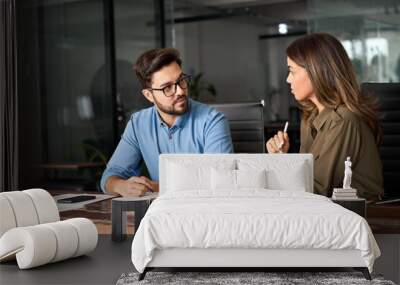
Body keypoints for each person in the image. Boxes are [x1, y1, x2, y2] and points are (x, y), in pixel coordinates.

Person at [266, 33, 383, 201]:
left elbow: (317, 190)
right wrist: (282, 157)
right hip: (324, 212)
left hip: (358, 217)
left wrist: (280, 164)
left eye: (292, 71)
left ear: (316, 72)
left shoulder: (343, 121)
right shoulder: (310, 117)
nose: (288, 79)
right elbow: (306, 178)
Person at [101, 48, 233, 197]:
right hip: (160, 213)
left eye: (181, 80)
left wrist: (158, 186)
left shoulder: (213, 121)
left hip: (204, 210)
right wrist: (121, 186)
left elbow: (220, 180)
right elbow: (110, 175)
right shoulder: (138, 124)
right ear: (149, 95)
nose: (180, 91)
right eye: (167, 88)